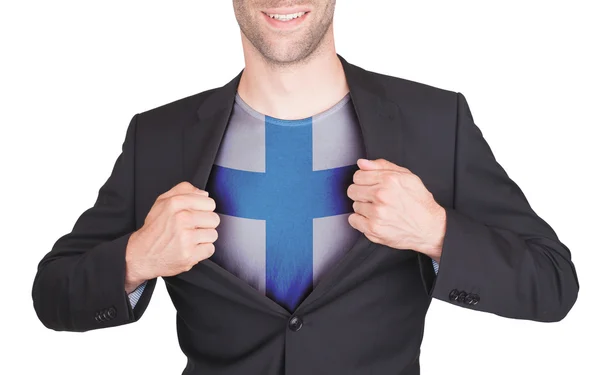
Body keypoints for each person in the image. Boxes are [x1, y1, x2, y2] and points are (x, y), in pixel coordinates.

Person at [31, 1, 579, 374]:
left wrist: (437, 233)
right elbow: (53, 294)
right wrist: (137, 257)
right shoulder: (158, 136)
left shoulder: (435, 121)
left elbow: (553, 283)